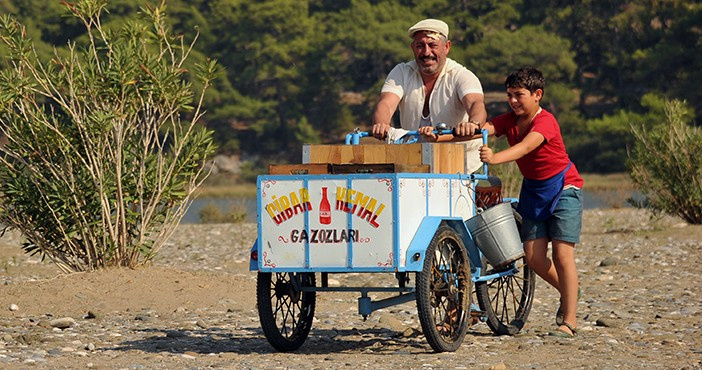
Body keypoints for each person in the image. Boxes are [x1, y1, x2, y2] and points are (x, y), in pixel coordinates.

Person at [424, 66, 584, 337]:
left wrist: (495, 158)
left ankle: (569, 321)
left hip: (564, 187)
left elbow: (527, 147)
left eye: (519, 95)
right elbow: (478, 132)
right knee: (532, 257)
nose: (512, 101)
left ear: (537, 95)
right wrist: (439, 136)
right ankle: (570, 292)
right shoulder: (508, 120)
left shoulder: (545, 121)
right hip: (533, 190)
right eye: (509, 95)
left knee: (561, 254)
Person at [370, 18, 486, 173]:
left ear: (446, 47)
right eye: (420, 46)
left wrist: (473, 124)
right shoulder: (402, 72)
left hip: (463, 165)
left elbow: (475, 103)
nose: (426, 52)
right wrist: (382, 124)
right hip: (414, 164)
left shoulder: (461, 75)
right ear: (413, 48)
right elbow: (386, 103)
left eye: (432, 45)